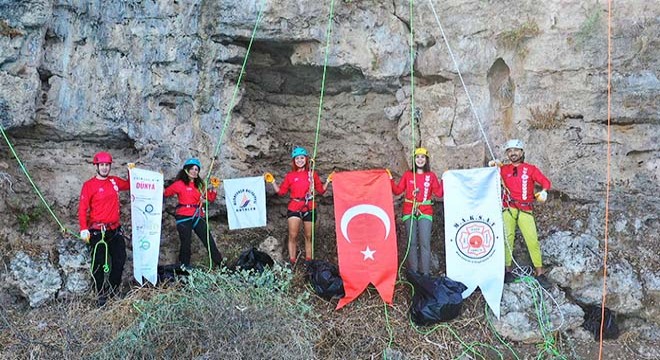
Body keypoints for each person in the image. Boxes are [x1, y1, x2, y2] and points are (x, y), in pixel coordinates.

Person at [494, 139, 552, 288]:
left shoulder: (530, 169)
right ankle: (507, 271)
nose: (513, 153)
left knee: (532, 240)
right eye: (509, 150)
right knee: (507, 240)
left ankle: (540, 273)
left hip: (525, 209)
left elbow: (545, 182)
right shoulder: (503, 169)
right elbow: (488, 176)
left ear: (522, 152)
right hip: (508, 207)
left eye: (516, 150)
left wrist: (543, 191)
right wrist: (492, 165)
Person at [78, 151, 130, 306]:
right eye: (102, 165)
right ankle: (100, 293)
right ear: (97, 166)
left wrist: (130, 171)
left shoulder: (114, 181)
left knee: (120, 260)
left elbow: (128, 185)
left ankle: (113, 290)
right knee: (99, 263)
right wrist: (83, 228)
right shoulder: (89, 185)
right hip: (97, 231)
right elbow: (82, 208)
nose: (105, 168)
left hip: (114, 229)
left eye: (107, 165)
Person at [265, 146, 331, 265]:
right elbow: (281, 192)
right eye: (297, 158)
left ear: (306, 159)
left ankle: (309, 262)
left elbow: (321, 191)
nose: (299, 160)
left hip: (309, 206)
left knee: (308, 236)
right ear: (294, 161)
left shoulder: (312, 174)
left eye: (302, 158)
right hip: (294, 206)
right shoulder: (290, 176)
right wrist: (273, 181)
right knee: (293, 235)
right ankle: (292, 261)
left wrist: (328, 181)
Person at [390, 147, 444, 276]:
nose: (420, 159)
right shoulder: (408, 175)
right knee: (411, 242)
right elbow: (397, 191)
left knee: (425, 243)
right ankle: (413, 273)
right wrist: (389, 179)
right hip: (409, 209)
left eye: (422, 157)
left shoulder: (430, 176)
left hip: (425, 210)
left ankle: (425, 274)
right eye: (417, 157)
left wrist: (444, 179)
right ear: (414, 159)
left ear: (426, 160)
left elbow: (439, 193)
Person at [164, 158, 223, 270]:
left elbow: (210, 198)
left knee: (208, 240)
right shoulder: (179, 184)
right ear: (186, 170)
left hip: (197, 215)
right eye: (192, 169)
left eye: (197, 169)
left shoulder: (200, 185)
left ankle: (221, 265)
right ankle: (184, 267)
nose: (194, 171)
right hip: (183, 217)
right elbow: (166, 193)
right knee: (186, 243)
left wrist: (214, 188)